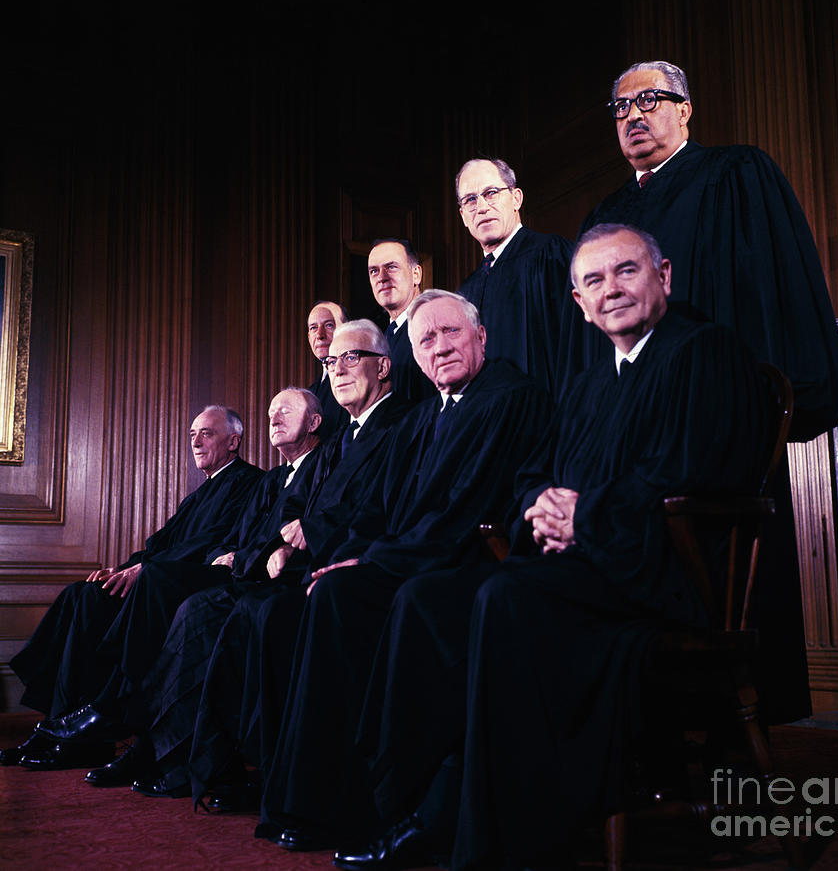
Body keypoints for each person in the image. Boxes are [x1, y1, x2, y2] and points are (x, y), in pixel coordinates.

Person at [334, 223, 777, 871]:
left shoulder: (703, 351)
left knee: (506, 599)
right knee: (429, 598)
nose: (611, 290)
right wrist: (540, 501)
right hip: (592, 562)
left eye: (625, 271)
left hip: (666, 576)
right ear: (576, 302)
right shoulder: (589, 379)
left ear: (664, 276)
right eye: (593, 280)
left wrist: (585, 515)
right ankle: (410, 805)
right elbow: (537, 471)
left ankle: (494, 833)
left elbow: (693, 471)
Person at [579, 59, 838, 725]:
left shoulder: (735, 174)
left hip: (714, 427)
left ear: (685, 108)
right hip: (634, 429)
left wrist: (738, 408)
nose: (634, 116)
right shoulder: (608, 215)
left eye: (650, 100)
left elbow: (769, 297)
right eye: (620, 108)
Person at [257, 289, 551, 854]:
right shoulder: (427, 418)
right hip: (418, 557)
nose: (439, 349)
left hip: (476, 565)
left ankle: (403, 806)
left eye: (451, 334)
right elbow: (381, 509)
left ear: (481, 338)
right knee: (332, 592)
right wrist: (354, 552)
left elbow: (466, 511)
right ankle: (321, 801)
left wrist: (374, 559)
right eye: (426, 340)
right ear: (413, 356)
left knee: (393, 599)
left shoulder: (507, 397)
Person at [125, 320, 409, 802]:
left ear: (383, 367)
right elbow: (290, 517)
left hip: (347, 568)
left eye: (350, 358)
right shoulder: (341, 442)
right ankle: (183, 755)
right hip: (294, 565)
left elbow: (378, 509)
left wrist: (298, 542)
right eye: (329, 362)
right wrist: (277, 548)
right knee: (208, 610)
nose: (337, 369)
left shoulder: (404, 425)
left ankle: (243, 769)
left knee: (245, 611)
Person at [19, 389, 323, 779]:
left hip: (214, 575)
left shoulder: (249, 480)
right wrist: (126, 567)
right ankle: (62, 730)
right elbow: (161, 543)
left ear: (233, 441)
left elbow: (214, 542)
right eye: (192, 434)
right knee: (85, 595)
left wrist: (149, 568)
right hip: (202, 568)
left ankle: (112, 709)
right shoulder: (212, 492)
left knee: (155, 582)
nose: (195, 441)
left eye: (206, 434)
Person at [456, 157, 600, 398]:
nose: (481, 207)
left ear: (516, 199)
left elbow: (580, 346)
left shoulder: (551, 255)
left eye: (490, 193)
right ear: (462, 216)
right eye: (470, 199)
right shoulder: (467, 290)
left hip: (549, 420)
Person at [366, 238, 436, 404]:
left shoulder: (435, 327)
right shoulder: (384, 338)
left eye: (391, 267)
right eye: (374, 271)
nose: (382, 278)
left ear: (416, 274)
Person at [307, 300, 350, 436]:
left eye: (329, 325)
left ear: (347, 330)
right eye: (313, 328)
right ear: (309, 337)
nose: (320, 335)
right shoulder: (311, 391)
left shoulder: (356, 379)